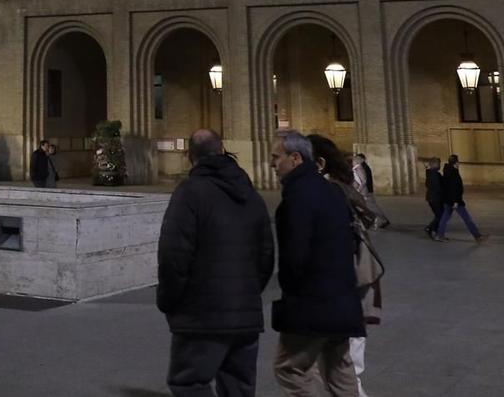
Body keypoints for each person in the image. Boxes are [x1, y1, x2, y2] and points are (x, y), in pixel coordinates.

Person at [156, 129, 274, 397]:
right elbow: (266, 254)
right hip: (245, 316)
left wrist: (169, 301)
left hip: (201, 316)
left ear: (189, 157)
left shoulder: (189, 192)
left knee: (189, 383)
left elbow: (174, 255)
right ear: (222, 150)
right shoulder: (250, 193)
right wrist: (248, 293)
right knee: (239, 388)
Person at [270, 131, 365, 396]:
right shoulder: (333, 191)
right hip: (344, 299)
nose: (272, 164)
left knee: (289, 368)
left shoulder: (297, 197)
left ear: (295, 158)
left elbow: (294, 256)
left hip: (312, 302)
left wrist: (290, 289)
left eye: (276, 157)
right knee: (340, 370)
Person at [435, 154, 486, 242]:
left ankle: (439, 235)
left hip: (448, 200)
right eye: (458, 162)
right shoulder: (453, 173)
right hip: (455, 201)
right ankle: (478, 236)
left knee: (445, 218)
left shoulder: (447, 171)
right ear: (455, 163)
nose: (459, 164)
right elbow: (453, 188)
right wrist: (455, 201)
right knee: (467, 218)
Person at [422, 156, 446, 239]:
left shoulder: (430, 173)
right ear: (434, 164)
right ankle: (432, 230)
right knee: (441, 215)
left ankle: (431, 228)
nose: (440, 165)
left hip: (431, 198)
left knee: (439, 215)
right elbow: (438, 188)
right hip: (435, 198)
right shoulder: (434, 175)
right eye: (438, 164)